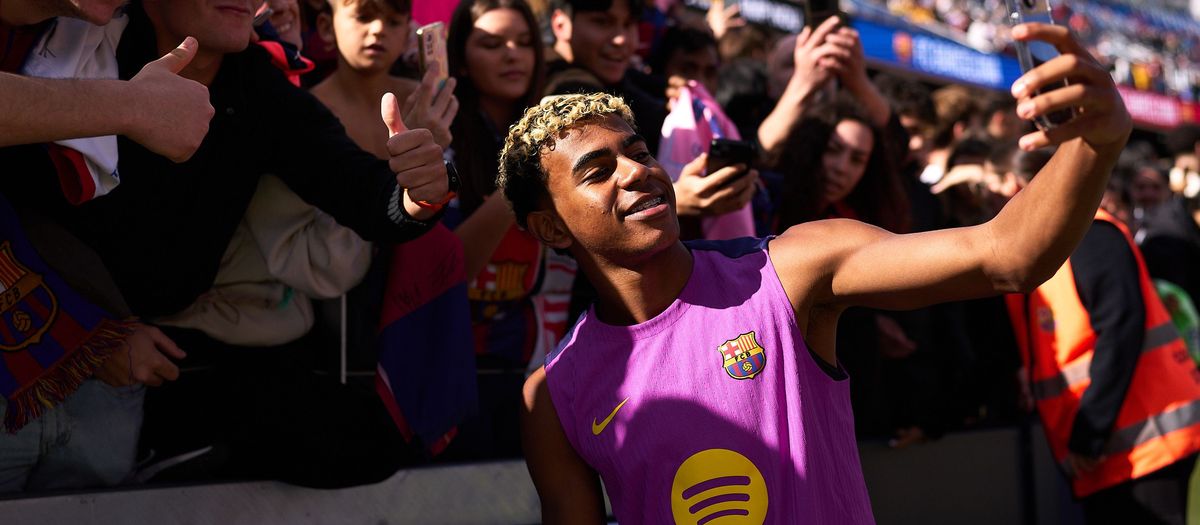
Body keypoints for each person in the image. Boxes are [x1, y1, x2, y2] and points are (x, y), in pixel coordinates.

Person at [510, 23, 1132, 523]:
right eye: (598, 171)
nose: (637, 172)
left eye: (640, 152)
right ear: (551, 229)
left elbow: (1006, 255)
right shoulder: (553, 395)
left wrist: (1093, 143)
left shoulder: (789, 268)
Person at [996, 157, 1200, 524]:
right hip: (1114, 444)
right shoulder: (1043, 245)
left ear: (1016, 184)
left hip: (1142, 440)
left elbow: (1121, 331)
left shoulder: (1088, 234)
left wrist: (1089, 434)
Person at [441, 0, 564, 460]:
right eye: (491, 44)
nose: (512, 54)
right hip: (451, 360)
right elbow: (450, 268)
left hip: (527, 359)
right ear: (461, 59)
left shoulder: (551, 129)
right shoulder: (442, 138)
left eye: (524, 42)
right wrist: (520, 180)